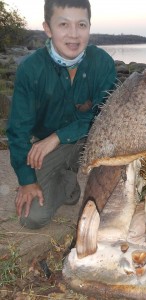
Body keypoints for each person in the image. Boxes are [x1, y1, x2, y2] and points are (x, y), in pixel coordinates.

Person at [6, 0, 117, 229]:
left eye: (81, 25)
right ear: (48, 28)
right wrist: (27, 181)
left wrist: (57, 137)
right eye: (64, 25)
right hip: (54, 148)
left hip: (95, 140)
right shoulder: (30, 69)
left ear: (89, 26)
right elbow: (18, 131)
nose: (74, 35)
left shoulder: (103, 63)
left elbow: (104, 118)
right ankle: (68, 183)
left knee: (113, 203)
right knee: (32, 217)